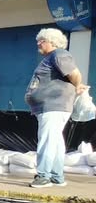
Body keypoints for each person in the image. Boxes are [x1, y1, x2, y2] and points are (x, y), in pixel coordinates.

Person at [25, 27, 85, 187]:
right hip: (51, 107)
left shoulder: (59, 54)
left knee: (47, 140)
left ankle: (43, 176)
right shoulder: (52, 57)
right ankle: (56, 176)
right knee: (55, 142)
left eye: (41, 41)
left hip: (53, 106)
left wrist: (77, 85)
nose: (38, 43)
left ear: (52, 42)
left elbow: (75, 73)